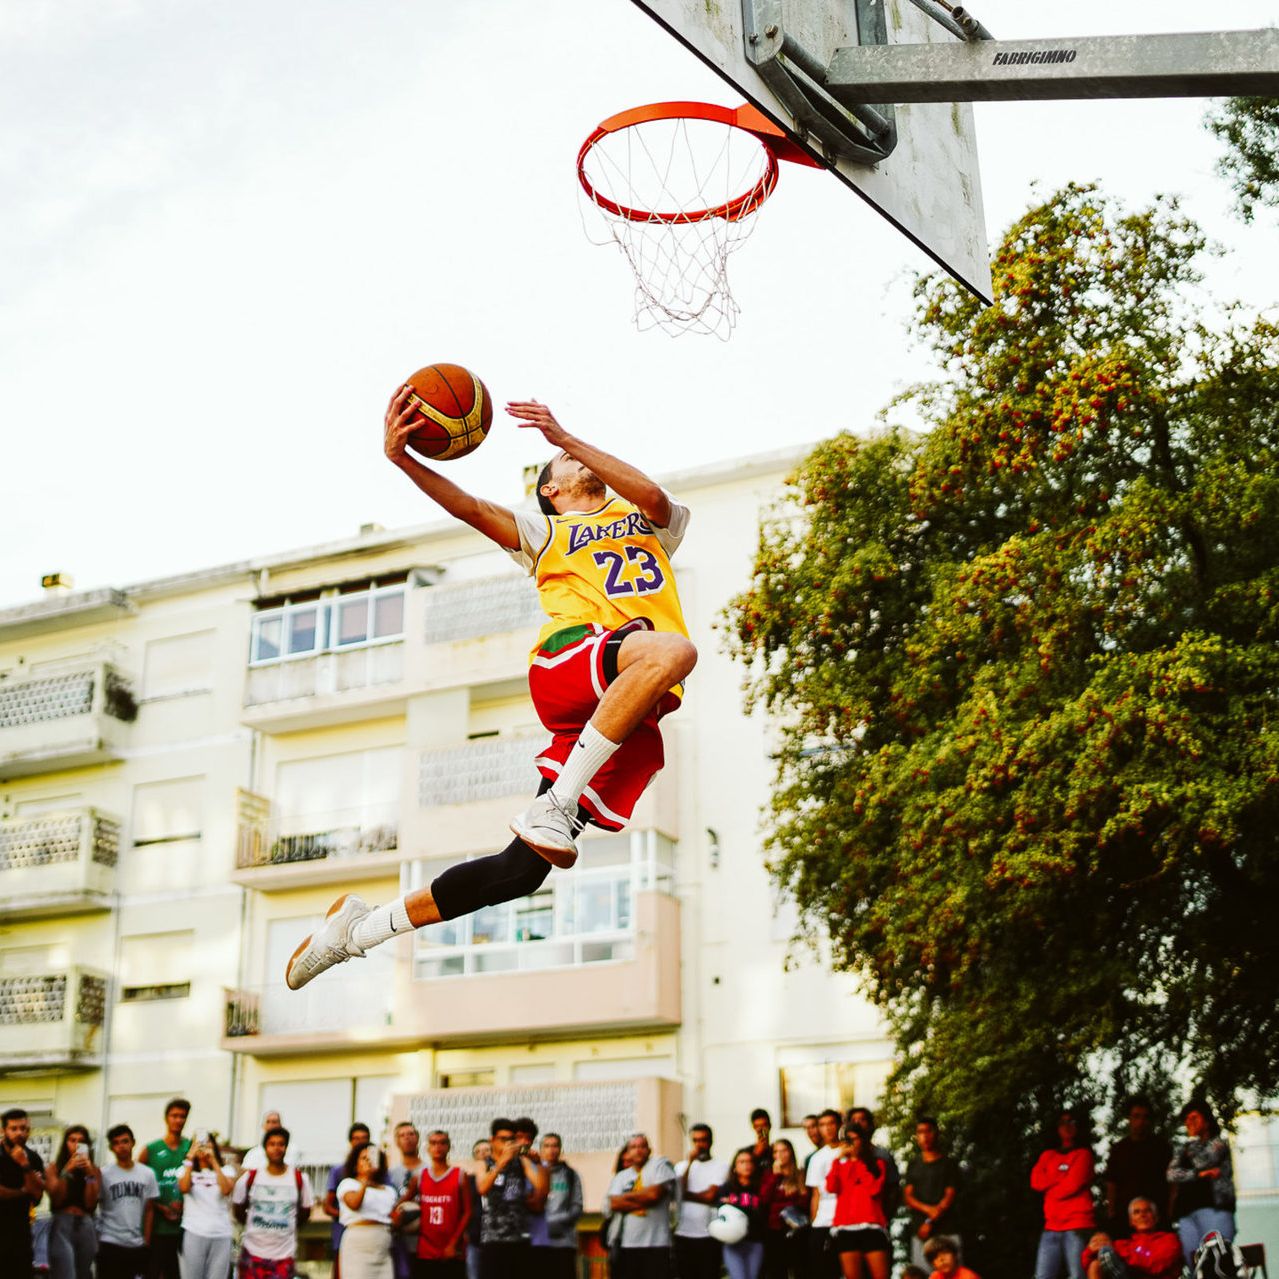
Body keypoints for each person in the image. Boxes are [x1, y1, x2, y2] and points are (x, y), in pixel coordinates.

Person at [285, 396, 697, 991]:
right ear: (549, 490)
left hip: (627, 698)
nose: (570, 459)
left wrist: (568, 436)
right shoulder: (544, 532)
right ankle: (552, 807)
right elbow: (470, 507)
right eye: (559, 459)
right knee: (675, 649)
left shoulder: (645, 520)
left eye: (572, 454)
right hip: (573, 660)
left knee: (519, 872)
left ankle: (358, 930)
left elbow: (655, 497)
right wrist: (402, 460)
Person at [232, 1124, 314, 1279]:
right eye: (272, 1144)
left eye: (281, 1144)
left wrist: (286, 1226)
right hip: (253, 1252)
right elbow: (238, 1209)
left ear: (286, 1148)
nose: (276, 1148)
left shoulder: (299, 1179)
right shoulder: (250, 1178)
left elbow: (305, 1213)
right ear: (265, 1148)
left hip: (284, 1254)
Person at [1167, 1100, 1236, 1267]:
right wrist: (1198, 1175)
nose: (1189, 1123)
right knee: (1194, 1264)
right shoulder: (1183, 1149)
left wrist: (1192, 1146)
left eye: (1194, 1118)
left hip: (1214, 1209)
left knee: (1217, 1262)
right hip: (1187, 1213)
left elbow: (1203, 1161)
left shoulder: (1219, 1143)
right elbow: (1171, 1174)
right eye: (1187, 1120)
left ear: (1206, 1121)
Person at [476, 1117, 548, 1277]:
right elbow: (482, 1188)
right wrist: (501, 1161)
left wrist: (539, 1165)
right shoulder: (484, 1164)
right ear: (492, 1140)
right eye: (503, 1139)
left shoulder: (522, 1162)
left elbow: (542, 1189)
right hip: (492, 1239)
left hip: (519, 1237)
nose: (508, 1144)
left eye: (511, 1140)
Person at [1031, 1109, 1097, 1279]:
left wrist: (1051, 1182)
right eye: (1062, 1123)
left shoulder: (1084, 1155)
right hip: (1051, 1226)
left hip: (1077, 1225)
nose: (1067, 1126)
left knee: (1077, 1276)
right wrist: (1061, 1177)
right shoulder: (1048, 1155)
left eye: (1072, 1122)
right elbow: (1036, 1182)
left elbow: (1071, 1186)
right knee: (1042, 1276)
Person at [396, 1129, 470, 1278]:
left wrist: (453, 1243)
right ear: (427, 1148)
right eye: (433, 1143)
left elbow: (468, 1212)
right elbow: (402, 1202)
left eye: (443, 1143)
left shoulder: (459, 1175)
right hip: (426, 1249)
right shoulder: (420, 1177)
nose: (438, 1147)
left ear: (449, 1147)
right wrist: (395, 1214)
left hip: (452, 1250)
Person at [606, 1133, 676, 1279]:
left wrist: (627, 1196)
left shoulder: (660, 1167)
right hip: (628, 1245)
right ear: (628, 1152)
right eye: (633, 1147)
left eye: (642, 1146)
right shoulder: (621, 1177)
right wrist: (644, 1196)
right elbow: (614, 1203)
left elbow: (654, 1196)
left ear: (649, 1150)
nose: (638, 1150)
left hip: (657, 1243)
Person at [138, 1098, 192, 1279]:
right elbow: (139, 1184)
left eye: (182, 1116)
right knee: (154, 1273)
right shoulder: (151, 1149)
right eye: (174, 1116)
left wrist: (185, 1206)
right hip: (157, 1228)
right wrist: (160, 1207)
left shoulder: (190, 1148)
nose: (178, 1120)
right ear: (166, 1118)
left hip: (185, 1227)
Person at [826, 1128, 891, 1279]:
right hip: (846, 1227)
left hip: (871, 1226)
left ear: (863, 1140)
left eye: (853, 1139)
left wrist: (858, 1162)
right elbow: (831, 1187)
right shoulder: (841, 1166)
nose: (851, 1144)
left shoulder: (878, 1164)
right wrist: (837, 1160)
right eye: (846, 1141)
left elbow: (874, 1189)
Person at [97, 1125, 160, 1279]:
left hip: (137, 1244)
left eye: (125, 1141)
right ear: (112, 1148)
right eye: (117, 1143)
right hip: (110, 1241)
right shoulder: (104, 1174)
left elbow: (150, 1209)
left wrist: (146, 1241)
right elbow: (94, 1203)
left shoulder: (147, 1173)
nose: (122, 1146)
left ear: (133, 1142)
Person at [1103, 1100, 1172, 1236]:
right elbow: (1111, 1182)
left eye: (1145, 1117)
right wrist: (1111, 1212)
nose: (1141, 1121)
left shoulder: (1162, 1147)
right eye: (1136, 1116)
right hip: (1124, 1215)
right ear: (1129, 1119)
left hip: (1156, 1215)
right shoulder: (1118, 1149)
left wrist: (1169, 1211)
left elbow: (1172, 1182)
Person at [903, 1117, 961, 1269]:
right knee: (922, 1273)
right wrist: (928, 1211)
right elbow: (909, 1196)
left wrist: (930, 1221)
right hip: (920, 1230)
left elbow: (949, 1195)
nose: (925, 1136)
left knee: (953, 1273)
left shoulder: (949, 1163)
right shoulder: (913, 1164)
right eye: (920, 1132)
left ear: (936, 1133)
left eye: (928, 1131)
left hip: (947, 1229)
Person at [675, 1124, 730, 1279]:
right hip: (683, 1233)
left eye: (703, 1140)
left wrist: (686, 1195)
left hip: (709, 1235)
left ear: (711, 1141)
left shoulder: (721, 1166)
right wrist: (689, 1164)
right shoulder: (681, 1167)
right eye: (696, 1140)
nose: (699, 1145)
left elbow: (710, 1196)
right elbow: (678, 1192)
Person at [176, 1133, 235, 1279]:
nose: (203, 1147)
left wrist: (214, 1162)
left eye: (207, 1143)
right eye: (199, 1143)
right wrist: (190, 1158)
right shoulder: (184, 1171)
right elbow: (184, 1188)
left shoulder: (227, 1171)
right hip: (193, 1231)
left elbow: (226, 1190)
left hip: (221, 1233)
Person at [46, 1124, 100, 1279]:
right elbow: (56, 1197)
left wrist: (89, 1174)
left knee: (84, 1273)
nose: (76, 1145)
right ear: (65, 1143)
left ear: (87, 1145)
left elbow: (90, 1202)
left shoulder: (94, 1170)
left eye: (81, 1141)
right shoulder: (54, 1168)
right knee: (65, 1272)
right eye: (72, 1140)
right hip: (62, 1222)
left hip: (85, 1223)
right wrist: (67, 1171)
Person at [338, 1142, 398, 1279]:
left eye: (372, 1157)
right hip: (358, 1247)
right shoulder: (348, 1184)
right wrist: (365, 1181)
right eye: (364, 1158)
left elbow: (392, 1218)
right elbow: (354, 1204)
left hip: (383, 1248)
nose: (369, 1161)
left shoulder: (389, 1190)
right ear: (355, 1164)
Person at [1082, 1198, 1182, 1279]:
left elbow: (1154, 1266)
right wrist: (1090, 1249)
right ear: (1131, 1221)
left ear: (1156, 1218)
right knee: (1095, 1264)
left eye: (1147, 1211)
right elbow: (1087, 1263)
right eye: (1137, 1212)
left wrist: (1123, 1253)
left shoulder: (1169, 1240)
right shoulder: (1124, 1244)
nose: (1142, 1215)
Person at [529, 1132, 582, 1279]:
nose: (551, 1150)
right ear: (541, 1150)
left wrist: (555, 1222)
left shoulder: (570, 1175)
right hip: (538, 1242)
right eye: (547, 1146)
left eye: (555, 1146)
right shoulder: (532, 1173)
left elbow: (577, 1207)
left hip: (564, 1242)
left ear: (560, 1149)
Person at [1, 1108, 47, 1277]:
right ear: (3, 1130)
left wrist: (24, 1165)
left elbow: (37, 1197)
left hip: (21, 1232)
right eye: (14, 1128)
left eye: (23, 1128)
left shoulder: (33, 1158)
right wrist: (25, 1190)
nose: (19, 1133)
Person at [328, 1123, 377, 1271]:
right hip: (344, 1233)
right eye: (356, 1138)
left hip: (372, 1238)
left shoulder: (378, 1171)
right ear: (350, 1142)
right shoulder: (338, 1171)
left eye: (364, 1138)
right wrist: (352, 1216)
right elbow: (328, 1206)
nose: (360, 1142)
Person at [717, 1148, 769, 1279]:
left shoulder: (761, 1187)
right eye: (742, 1162)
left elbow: (763, 1213)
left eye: (750, 1161)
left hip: (755, 1241)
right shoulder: (727, 1188)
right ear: (735, 1167)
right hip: (733, 1242)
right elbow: (722, 1213)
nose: (746, 1165)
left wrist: (736, 1205)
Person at [763, 1138, 810, 1279]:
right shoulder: (769, 1175)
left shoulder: (800, 1173)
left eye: (784, 1150)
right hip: (775, 1229)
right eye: (776, 1151)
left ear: (791, 1152)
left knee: (799, 1269)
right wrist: (775, 1176)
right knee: (777, 1271)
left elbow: (806, 1204)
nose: (780, 1155)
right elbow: (764, 1199)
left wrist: (801, 1190)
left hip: (797, 1229)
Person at [806, 1109, 845, 1279]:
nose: (827, 1128)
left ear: (839, 1125)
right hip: (823, 1220)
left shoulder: (849, 1152)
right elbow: (816, 1194)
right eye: (822, 1125)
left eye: (831, 1123)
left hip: (846, 1218)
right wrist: (814, 1221)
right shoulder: (816, 1158)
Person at [847, 1109, 900, 1220]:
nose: (857, 1123)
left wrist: (886, 1216)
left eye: (862, 1119)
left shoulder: (882, 1155)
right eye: (854, 1120)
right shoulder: (843, 1157)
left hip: (876, 1219)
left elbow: (893, 1190)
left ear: (870, 1124)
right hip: (849, 1220)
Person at [388, 1124, 425, 1279]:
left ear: (417, 1138)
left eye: (411, 1134)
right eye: (402, 1135)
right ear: (396, 1141)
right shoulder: (390, 1174)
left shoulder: (429, 1170)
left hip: (425, 1242)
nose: (407, 1138)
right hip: (400, 1242)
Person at [464, 1141, 490, 1279]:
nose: (483, 1154)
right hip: (474, 1236)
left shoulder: (500, 1177)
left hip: (496, 1237)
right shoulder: (468, 1181)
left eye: (486, 1150)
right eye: (478, 1151)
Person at [750, 1110, 776, 1177]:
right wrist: (756, 1154)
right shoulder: (746, 1152)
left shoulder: (777, 1150)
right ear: (753, 1127)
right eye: (757, 1126)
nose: (761, 1129)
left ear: (769, 1126)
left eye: (764, 1125)